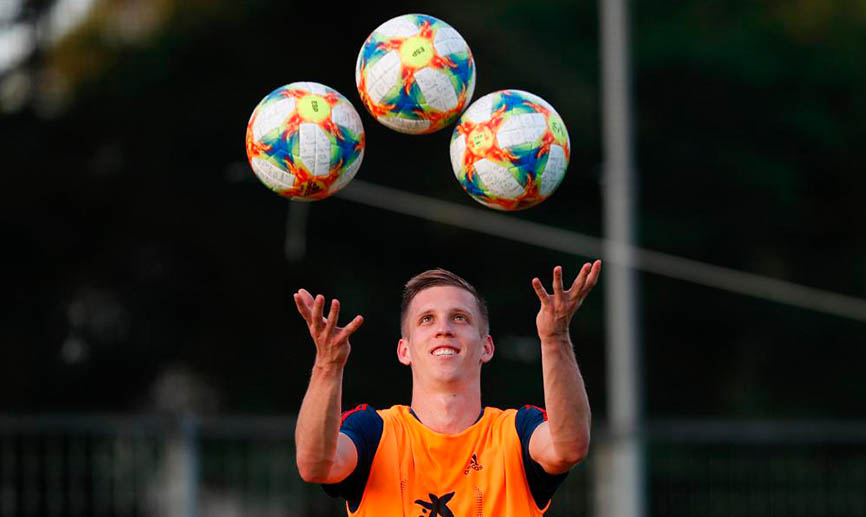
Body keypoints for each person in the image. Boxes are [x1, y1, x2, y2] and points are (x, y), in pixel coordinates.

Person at [293, 261, 601, 516]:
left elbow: (569, 446)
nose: (444, 328)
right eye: (427, 319)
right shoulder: (373, 430)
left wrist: (555, 337)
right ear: (405, 350)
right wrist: (327, 365)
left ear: (486, 347)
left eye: (460, 318)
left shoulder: (517, 431)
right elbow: (314, 465)